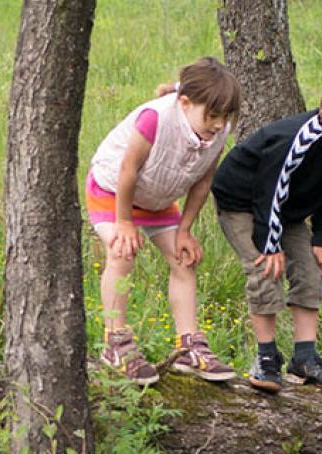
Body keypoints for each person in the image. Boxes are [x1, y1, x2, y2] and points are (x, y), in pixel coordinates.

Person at [211, 73, 322, 394]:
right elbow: (269, 189)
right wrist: (269, 243)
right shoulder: (299, 139)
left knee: (308, 269)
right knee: (265, 267)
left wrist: (321, 239)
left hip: (287, 209)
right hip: (243, 202)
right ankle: (266, 357)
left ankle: (304, 357)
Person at [84, 56, 242, 387]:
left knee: (184, 260)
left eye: (224, 117)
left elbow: (202, 182)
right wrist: (124, 222)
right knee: (121, 252)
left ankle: (189, 346)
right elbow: (128, 170)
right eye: (211, 116)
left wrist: (185, 231)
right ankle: (116, 343)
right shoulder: (154, 118)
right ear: (185, 103)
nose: (217, 124)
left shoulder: (219, 130)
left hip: (156, 198)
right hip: (114, 191)